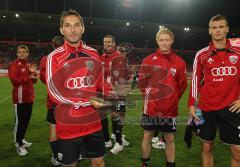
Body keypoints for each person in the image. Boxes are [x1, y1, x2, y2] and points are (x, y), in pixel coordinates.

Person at [46, 9, 110, 167]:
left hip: (93, 123)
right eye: (68, 26)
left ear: (82, 28)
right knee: (70, 164)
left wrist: (109, 96)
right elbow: (54, 92)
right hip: (68, 126)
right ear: (62, 30)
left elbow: (101, 83)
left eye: (76, 25)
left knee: (99, 162)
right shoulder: (54, 57)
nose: (73, 30)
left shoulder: (94, 54)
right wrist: (87, 100)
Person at [188, 14, 240, 167]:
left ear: (227, 30)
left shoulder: (238, 51)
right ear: (209, 31)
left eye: (221, 27)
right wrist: (191, 104)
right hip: (206, 107)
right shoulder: (201, 54)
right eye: (214, 27)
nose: (217, 30)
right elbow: (196, 80)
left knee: (237, 150)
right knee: (206, 146)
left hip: (232, 107)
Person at [138, 27, 187, 167]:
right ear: (157, 41)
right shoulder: (148, 60)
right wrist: (151, 98)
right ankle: (145, 163)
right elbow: (141, 83)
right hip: (151, 108)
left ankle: (170, 164)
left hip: (170, 109)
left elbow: (182, 86)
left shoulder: (179, 62)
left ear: (172, 41)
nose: (164, 42)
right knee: (147, 136)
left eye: (167, 40)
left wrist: (172, 99)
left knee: (169, 138)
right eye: (161, 40)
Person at [100, 34, 130, 154]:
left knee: (116, 116)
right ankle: (107, 140)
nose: (107, 44)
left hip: (117, 91)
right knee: (101, 116)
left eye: (109, 42)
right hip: (104, 91)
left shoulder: (119, 57)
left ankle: (119, 143)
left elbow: (123, 77)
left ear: (114, 43)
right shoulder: (101, 57)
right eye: (105, 42)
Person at [8, 45, 38, 156]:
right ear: (17, 54)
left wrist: (34, 76)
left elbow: (33, 81)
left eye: (24, 52)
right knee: (19, 123)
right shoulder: (13, 65)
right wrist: (28, 76)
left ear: (27, 53)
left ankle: (22, 139)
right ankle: (18, 144)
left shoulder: (28, 65)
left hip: (29, 97)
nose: (21, 54)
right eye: (19, 52)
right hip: (19, 98)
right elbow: (14, 81)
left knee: (25, 122)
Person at [39, 35, 64, 165]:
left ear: (52, 45)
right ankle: (72, 153)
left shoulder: (46, 59)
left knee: (54, 128)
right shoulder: (68, 57)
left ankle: (56, 157)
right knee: (68, 128)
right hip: (68, 100)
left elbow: (43, 79)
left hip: (53, 100)